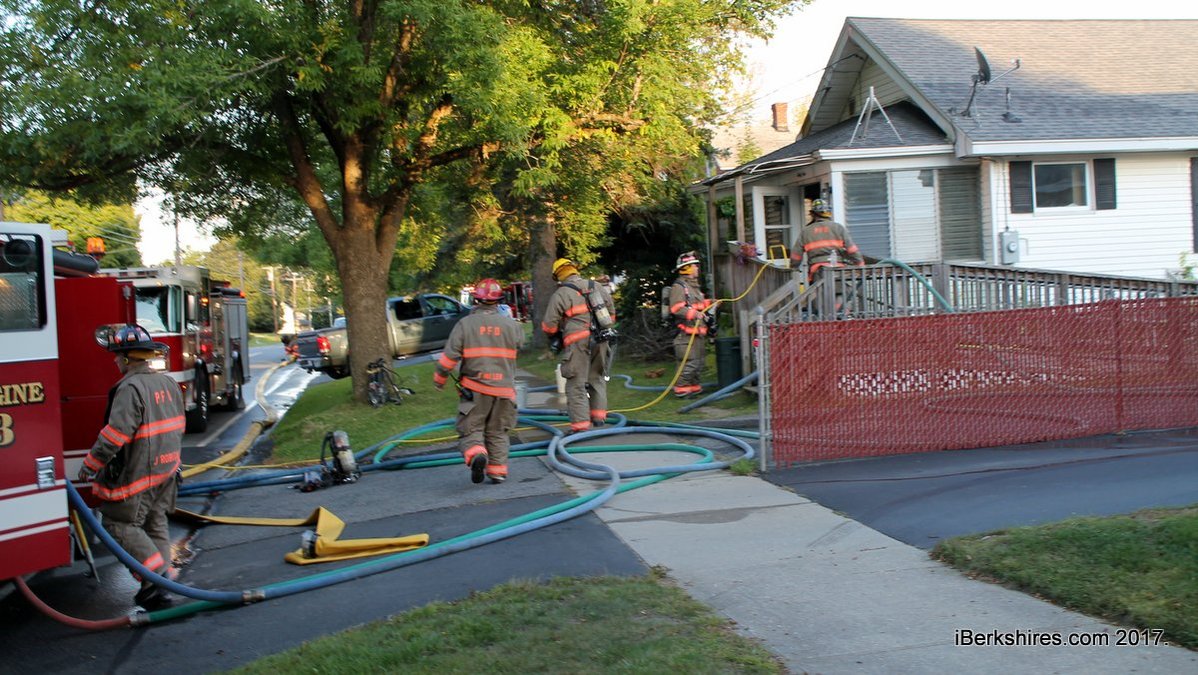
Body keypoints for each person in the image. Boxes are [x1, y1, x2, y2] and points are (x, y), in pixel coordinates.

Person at [77, 323, 185, 611]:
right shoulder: (169, 383)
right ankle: (160, 588)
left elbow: (116, 433)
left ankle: (154, 579)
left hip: (139, 476)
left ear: (127, 358)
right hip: (167, 471)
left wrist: (91, 464)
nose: (114, 361)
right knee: (155, 523)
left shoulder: (130, 387)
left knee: (118, 524)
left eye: (117, 356)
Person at [434, 279, 524, 484]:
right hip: (505, 391)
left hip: (475, 390)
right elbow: (519, 343)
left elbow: (448, 358)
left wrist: (439, 380)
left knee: (471, 428)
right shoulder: (512, 326)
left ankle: (476, 454)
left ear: (476, 299)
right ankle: (498, 471)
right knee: (498, 431)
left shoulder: (465, 324)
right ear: (499, 300)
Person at [541, 257, 616, 433]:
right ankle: (599, 418)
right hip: (602, 338)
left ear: (558, 276)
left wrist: (557, 334)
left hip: (577, 342)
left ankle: (581, 427)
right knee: (597, 377)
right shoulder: (595, 286)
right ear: (574, 269)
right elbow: (611, 315)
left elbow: (548, 326)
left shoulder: (561, 293)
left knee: (576, 383)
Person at [789, 198, 865, 315]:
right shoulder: (838, 228)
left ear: (813, 214)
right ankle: (839, 313)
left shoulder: (806, 231)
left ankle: (826, 318)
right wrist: (860, 264)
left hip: (817, 271)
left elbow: (796, 255)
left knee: (820, 298)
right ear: (828, 213)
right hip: (838, 269)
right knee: (845, 292)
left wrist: (793, 268)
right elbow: (852, 250)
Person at [668, 251, 714, 398]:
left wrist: (711, 303)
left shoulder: (693, 287)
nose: (697, 268)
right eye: (694, 266)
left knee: (699, 363)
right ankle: (681, 389)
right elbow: (676, 308)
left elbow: (697, 304)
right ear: (686, 268)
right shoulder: (679, 287)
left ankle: (693, 388)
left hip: (697, 332)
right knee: (691, 362)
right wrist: (694, 314)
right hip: (685, 334)